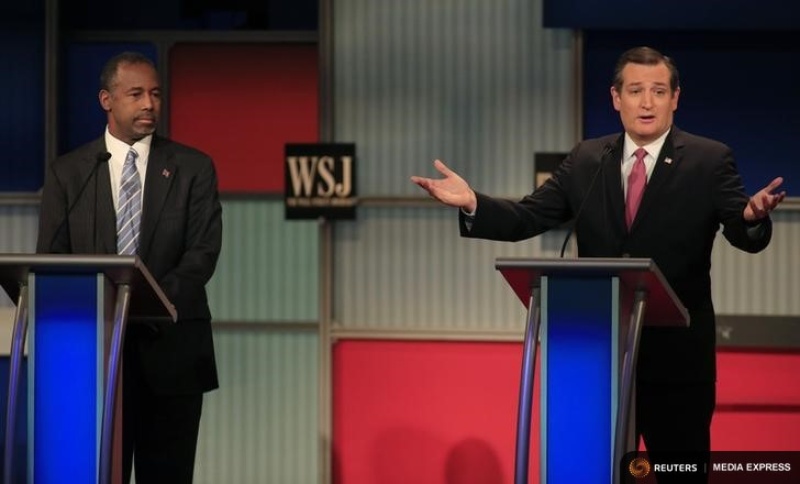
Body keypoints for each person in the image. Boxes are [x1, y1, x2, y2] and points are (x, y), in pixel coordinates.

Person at [411, 46, 785, 483]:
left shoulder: (709, 159)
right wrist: (474, 202)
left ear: (675, 98)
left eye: (658, 91)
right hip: (598, 357)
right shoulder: (588, 159)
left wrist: (751, 219)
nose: (646, 102)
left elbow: (740, 231)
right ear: (616, 97)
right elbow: (531, 215)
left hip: (677, 364)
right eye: (635, 90)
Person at [36, 51, 222, 483]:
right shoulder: (70, 173)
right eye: (135, 94)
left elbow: (203, 254)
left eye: (155, 94)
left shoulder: (193, 168)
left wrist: (143, 302)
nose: (149, 104)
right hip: (93, 358)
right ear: (107, 99)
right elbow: (52, 257)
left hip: (172, 353)